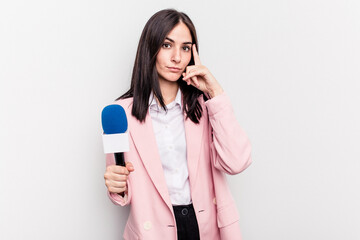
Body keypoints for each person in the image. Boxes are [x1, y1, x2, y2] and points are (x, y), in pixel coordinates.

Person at [103, 8, 252, 240]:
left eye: (185, 48)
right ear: (150, 48)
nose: (177, 58)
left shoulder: (204, 107)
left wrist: (215, 92)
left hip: (206, 226)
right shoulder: (121, 113)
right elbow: (122, 190)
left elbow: (237, 162)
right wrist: (116, 184)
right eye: (166, 45)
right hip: (153, 230)